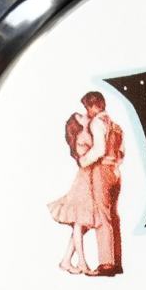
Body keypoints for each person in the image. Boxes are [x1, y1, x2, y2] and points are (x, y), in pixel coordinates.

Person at [78, 91, 124, 276]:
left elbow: (99, 149)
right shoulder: (116, 125)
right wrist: (115, 165)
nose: (87, 111)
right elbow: (121, 152)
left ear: (93, 105)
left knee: (103, 217)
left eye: (87, 107)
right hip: (115, 171)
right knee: (114, 216)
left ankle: (106, 264)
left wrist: (83, 160)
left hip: (102, 170)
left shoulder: (97, 123)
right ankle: (117, 261)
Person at [47, 112, 98, 274]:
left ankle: (66, 260)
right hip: (84, 182)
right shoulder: (83, 136)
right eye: (80, 117)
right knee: (79, 222)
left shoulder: (87, 133)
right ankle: (82, 262)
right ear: (78, 124)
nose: (85, 116)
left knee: (80, 225)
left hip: (88, 179)